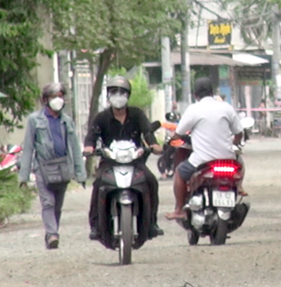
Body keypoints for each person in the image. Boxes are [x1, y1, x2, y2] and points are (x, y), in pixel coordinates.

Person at [84, 76, 164, 240]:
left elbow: (147, 132)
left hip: (135, 161)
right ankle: (96, 225)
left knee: (151, 181)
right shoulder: (101, 117)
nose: (118, 96)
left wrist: (154, 145)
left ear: (128, 96)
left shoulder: (137, 114)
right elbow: (91, 136)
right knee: (98, 183)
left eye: (122, 92)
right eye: (114, 92)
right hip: (109, 162)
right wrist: (89, 147)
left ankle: (151, 223)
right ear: (108, 95)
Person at [18, 83, 87, 249]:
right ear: (45, 100)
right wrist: (24, 175)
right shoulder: (35, 120)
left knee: (57, 205)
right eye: (53, 97)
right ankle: (52, 234)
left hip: (62, 167)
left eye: (60, 96)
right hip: (43, 167)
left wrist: (80, 173)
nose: (57, 100)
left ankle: (51, 232)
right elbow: (28, 148)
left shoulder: (67, 121)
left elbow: (75, 148)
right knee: (47, 202)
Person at [165, 77, 244, 220]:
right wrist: (235, 142)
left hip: (202, 161)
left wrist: (172, 139)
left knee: (179, 173)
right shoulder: (226, 107)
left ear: (195, 95)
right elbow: (239, 133)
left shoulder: (194, 109)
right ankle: (238, 187)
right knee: (240, 162)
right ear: (213, 92)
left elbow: (179, 133)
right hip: (227, 158)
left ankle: (179, 209)